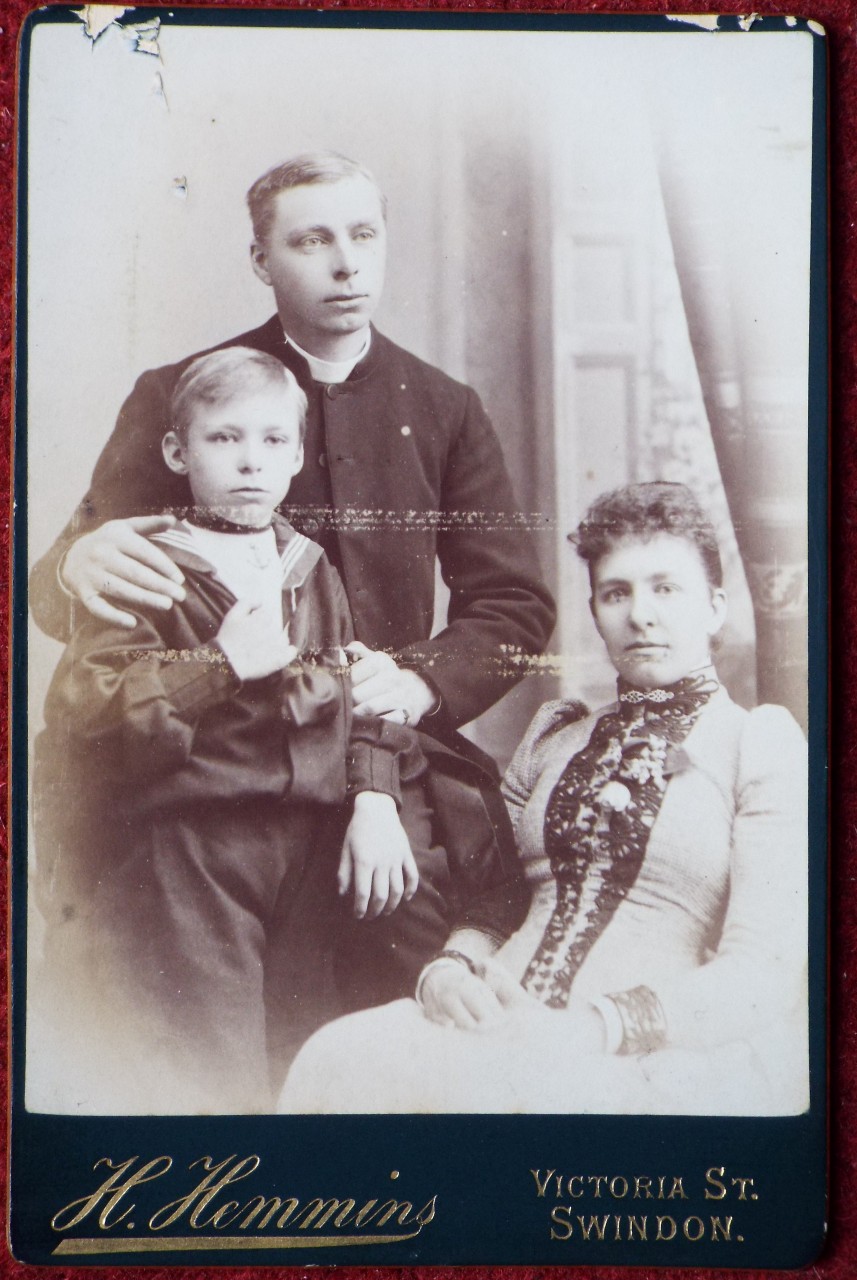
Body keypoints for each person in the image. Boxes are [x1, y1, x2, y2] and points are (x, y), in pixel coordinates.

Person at [32, 348, 525, 1114]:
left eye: (270, 442)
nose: (249, 463)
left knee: (306, 1058)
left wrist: (372, 799)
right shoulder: (150, 563)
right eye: (224, 440)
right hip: (195, 852)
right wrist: (218, 665)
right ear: (177, 452)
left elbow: (357, 693)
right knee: (214, 1074)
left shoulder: (309, 565)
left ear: (297, 456)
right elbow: (87, 716)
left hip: (309, 847)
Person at [279, 482, 809, 1117]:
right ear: (596, 609)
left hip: (653, 1049)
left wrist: (595, 1026)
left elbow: (763, 974)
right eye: (617, 593)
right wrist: (448, 969)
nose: (640, 614)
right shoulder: (557, 734)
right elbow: (499, 898)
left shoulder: (759, 741)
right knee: (337, 1056)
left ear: (715, 607)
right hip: (501, 1021)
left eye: (666, 589)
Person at [29, 150, 555, 741]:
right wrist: (77, 567)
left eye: (363, 235)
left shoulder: (445, 406)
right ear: (261, 261)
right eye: (312, 241)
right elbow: (53, 591)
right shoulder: (177, 393)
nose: (347, 264)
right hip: (213, 754)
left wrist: (419, 682)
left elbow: (513, 603)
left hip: (384, 743)